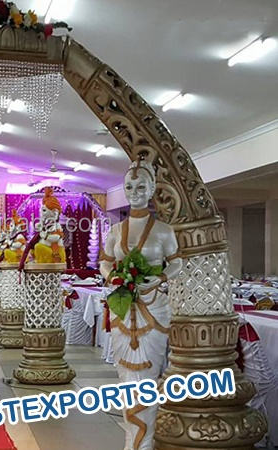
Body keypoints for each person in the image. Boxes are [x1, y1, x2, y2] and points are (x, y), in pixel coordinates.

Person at [99, 158, 182, 450]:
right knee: (126, 379)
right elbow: (105, 262)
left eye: (141, 187)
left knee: (148, 377)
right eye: (129, 187)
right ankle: (132, 442)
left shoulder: (164, 230)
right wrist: (114, 277)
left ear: (152, 189)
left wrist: (158, 278)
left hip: (154, 308)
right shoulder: (115, 230)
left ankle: (144, 444)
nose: (134, 193)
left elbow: (177, 263)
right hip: (124, 310)